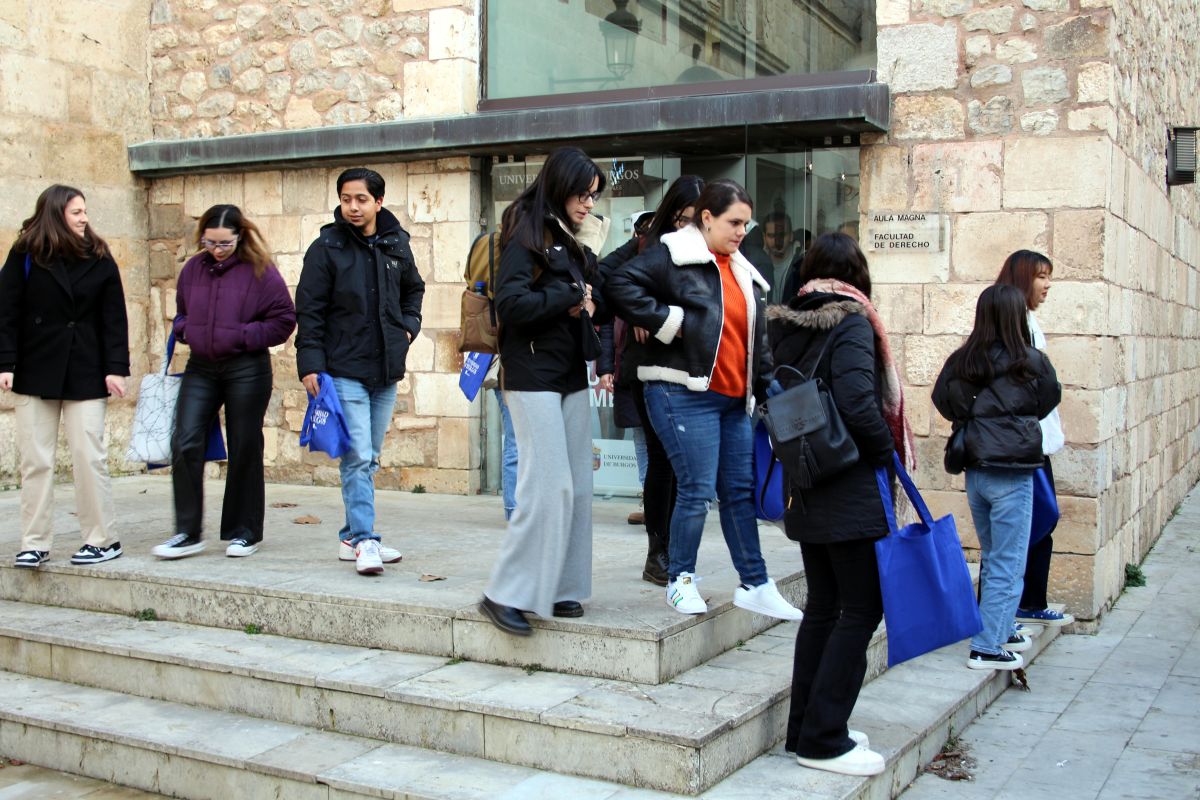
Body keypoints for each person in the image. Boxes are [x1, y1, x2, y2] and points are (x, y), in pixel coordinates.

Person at [604, 179, 803, 621]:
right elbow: (616, 282)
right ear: (707, 218)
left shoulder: (740, 267)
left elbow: (754, 338)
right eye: (735, 222)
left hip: (733, 399)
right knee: (695, 490)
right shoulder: (674, 253)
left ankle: (755, 583)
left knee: (738, 493)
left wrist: (765, 384)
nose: (742, 231)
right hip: (681, 391)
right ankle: (680, 580)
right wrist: (666, 321)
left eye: (746, 224)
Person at [768, 232, 914, 777]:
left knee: (825, 606)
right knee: (861, 608)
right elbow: (856, 402)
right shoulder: (851, 322)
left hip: (807, 480)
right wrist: (885, 453)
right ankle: (824, 738)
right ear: (857, 277)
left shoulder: (789, 325)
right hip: (848, 484)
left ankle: (804, 728)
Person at [479, 147, 609, 636]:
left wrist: (589, 289)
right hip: (531, 373)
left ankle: (561, 586)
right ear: (560, 186)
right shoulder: (525, 232)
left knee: (577, 484)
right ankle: (504, 593)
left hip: (570, 371)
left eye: (593, 196)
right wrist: (569, 295)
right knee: (547, 484)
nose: (589, 204)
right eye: (583, 194)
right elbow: (511, 304)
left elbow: (594, 290)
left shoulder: (571, 236)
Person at [295, 168, 425, 576]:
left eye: (361, 199)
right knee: (357, 457)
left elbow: (414, 288)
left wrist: (408, 328)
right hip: (343, 368)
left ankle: (350, 537)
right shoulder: (326, 248)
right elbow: (309, 310)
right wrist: (310, 364)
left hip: (385, 370)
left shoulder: (396, 243)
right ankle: (366, 540)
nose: (353, 206)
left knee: (369, 458)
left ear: (378, 202)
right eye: (346, 199)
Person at [151, 205, 296, 560]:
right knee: (185, 441)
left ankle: (244, 532)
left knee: (244, 444)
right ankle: (187, 532)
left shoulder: (260, 270)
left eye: (225, 244)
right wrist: (186, 329)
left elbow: (284, 320)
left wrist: (241, 335)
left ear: (239, 237)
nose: (217, 250)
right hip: (201, 367)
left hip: (246, 367)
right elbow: (181, 313)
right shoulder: (192, 270)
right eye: (210, 242)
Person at [933, 285, 1061, 671]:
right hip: (1012, 473)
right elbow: (1049, 398)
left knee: (994, 556)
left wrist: (975, 417)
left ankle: (1001, 628)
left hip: (977, 470)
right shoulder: (1031, 362)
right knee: (1009, 560)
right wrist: (1016, 418)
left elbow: (942, 399)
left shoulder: (963, 360)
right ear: (1016, 316)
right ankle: (987, 646)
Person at [0, 185, 129, 568]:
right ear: (56, 214)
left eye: (84, 211)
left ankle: (102, 540)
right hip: (35, 368)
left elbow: (114, 317)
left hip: (86, 369)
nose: (84, 218)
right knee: (36, 461)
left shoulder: (100, 256)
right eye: (76, 212)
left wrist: (116, 368)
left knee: (89, 456)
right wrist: (5, 363)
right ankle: (34, 543)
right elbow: (6, 311)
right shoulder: (25, 253)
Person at [600, 175, 704, 585]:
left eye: (698, 219)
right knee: (662, 461)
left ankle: (676, 552)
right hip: (649, 369)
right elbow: (607, 277)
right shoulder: (650, 245)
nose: (690, 227)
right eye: (684, 218)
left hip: (690, 368)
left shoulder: (709, 248)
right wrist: (645, 312)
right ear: (671, 214)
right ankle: (657, 553)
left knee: (685, 465)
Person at [995, 250, 1074, 627]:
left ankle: (1029, 600)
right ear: (1023, 278)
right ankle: (1005, 608)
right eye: (1041, 276)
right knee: (1029, 523)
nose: (1048, 285)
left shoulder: (1027, 322)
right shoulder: (1011, 327)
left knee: (1040, 521)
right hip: (1024, 443)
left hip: (1036, 441)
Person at [761, 210, 804, 302]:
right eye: (771, 236)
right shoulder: (757, 264)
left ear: (791, 236)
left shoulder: (801, 265)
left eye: (782, 235)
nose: (777, 241)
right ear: (764, 238)